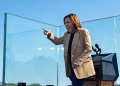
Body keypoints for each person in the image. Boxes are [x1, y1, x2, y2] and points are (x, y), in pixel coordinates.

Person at [43, 14, 95, 86]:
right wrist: (50, 34)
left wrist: (78, 62)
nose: (66, 24)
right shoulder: (66, 35)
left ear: (74, 22)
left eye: (68, 22)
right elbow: (57, 41)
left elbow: (89, 49)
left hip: (81, 66)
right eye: (65, 23)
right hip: (70, 68)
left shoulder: (83, 32)